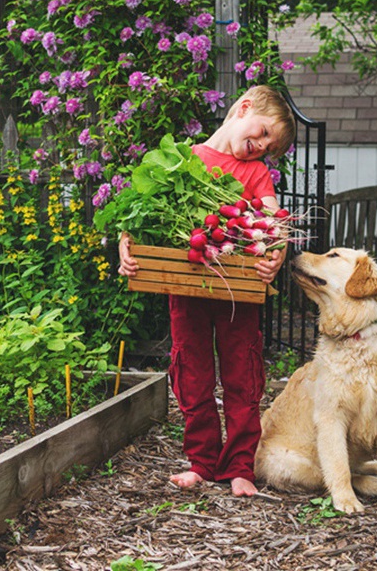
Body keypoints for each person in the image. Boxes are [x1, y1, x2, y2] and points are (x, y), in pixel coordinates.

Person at [118, 85, 296, 497]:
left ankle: (240, 468)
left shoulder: (256, 173)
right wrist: (126, 244)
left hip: (237, 291)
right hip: (187, 287)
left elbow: (275, 222)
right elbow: (138, 216)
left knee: (242, 375)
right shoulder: (184, 160)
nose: (262, 147)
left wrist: (278, 251)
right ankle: (201, 461)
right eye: (264, 133)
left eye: (270, 148)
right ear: (245, 107)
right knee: (192, 375)